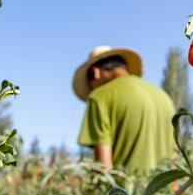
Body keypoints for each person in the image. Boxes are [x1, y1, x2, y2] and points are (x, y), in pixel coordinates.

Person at [73, 46, 175, 174]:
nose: (92, 89)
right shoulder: (164, 98)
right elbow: (174, 158)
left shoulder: (99, 97)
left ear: (95, 72)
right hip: (166, 192)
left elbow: (103, 169)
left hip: (126, 192)